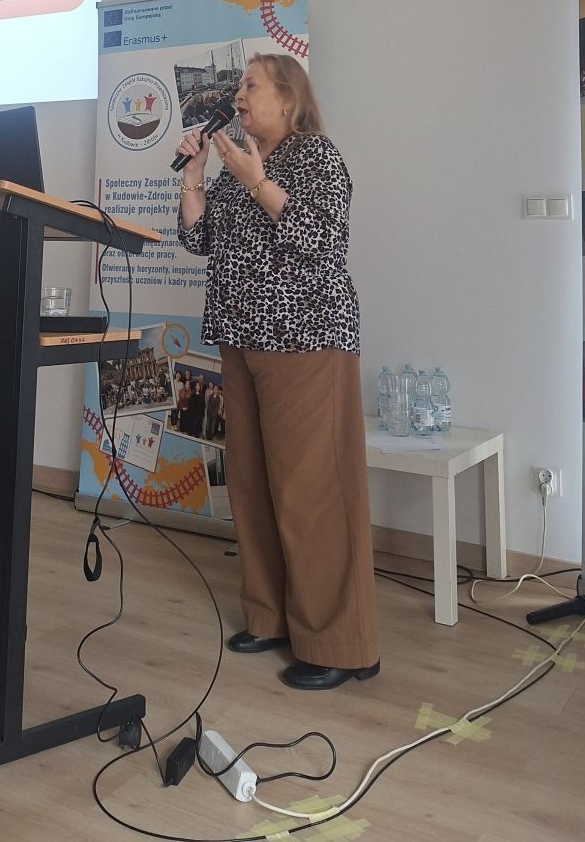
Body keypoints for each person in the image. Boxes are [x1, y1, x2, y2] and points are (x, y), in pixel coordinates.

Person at [174, 53, 379, 691]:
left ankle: (339, 644)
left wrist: (258, 181)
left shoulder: (315, 156)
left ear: (288, 99)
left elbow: (323, 240)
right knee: (253, 483)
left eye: (250, 85)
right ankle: (271, 618)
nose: (237, 95)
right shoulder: (236, 161)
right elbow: (200, 241)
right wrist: (195, 178)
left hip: (305, 340)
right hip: (241, 340)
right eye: (238, 85)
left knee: (309, 490)